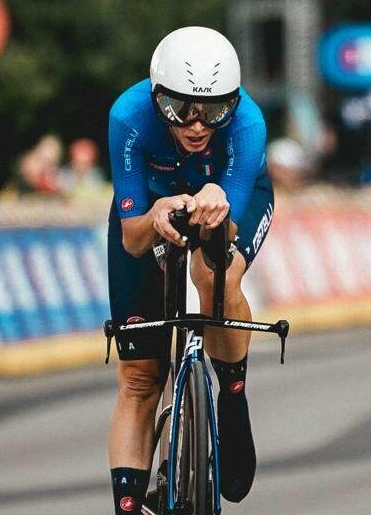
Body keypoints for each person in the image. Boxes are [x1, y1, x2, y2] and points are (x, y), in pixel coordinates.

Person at [106, 26, 273, 514]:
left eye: (214, 111)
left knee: (214, 274)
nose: (198, 126)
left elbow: (219, 248)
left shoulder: (247, 125)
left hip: (227, 200)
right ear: (158, 100)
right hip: (151, 209)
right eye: (181, 111)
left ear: (233, 104)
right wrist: (155, 214)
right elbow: (132, 239)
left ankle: (232, 392)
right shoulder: (129, 116)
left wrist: (219, 199)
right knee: (139, 379)